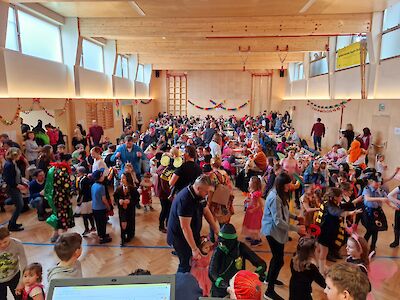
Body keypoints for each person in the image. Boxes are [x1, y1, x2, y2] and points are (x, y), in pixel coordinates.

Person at [261, 172, 306, 300]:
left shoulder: (280, 194)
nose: (290, 185)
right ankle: (269, 291)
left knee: (276, 258)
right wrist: (296, 228)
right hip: (272, 231)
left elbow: (284, 211)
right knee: (279, 260)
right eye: (288, 183)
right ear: (282, 185)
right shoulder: (275, 197)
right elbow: (278, 221)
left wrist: (296, 217)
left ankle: (269, 279)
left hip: (276, 230)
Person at [167, 175, 219, 273]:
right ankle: (180, 284)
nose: (207, 194)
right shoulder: (185, 200)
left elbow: (206, 210)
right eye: (206, 192)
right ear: (199, 188)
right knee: (185, 263)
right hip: (179, 237)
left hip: (189, 233)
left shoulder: (198, 193)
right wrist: (194, 249)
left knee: (190, 262)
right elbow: (185, 227)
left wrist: (215, 229)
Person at [209, 223, 267, 298]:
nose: (222, 244)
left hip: (238, 289)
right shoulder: (218, 250)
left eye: (225, 242)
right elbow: (212, 272)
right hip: (220, 290)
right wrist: (225, 285)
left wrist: (255, 275)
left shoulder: (241, 247)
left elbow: (261, 264)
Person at [316, 188, 361, 274]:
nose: (341, 197)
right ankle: (321, 271)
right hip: (324, 232)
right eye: (340, 196)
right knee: (323, 252)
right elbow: (336, 212)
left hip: (326, 231)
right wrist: (351, 213)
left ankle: (321, 265)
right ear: (335, 197)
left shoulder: (331, 203)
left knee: (320, 251)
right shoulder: (329, 206)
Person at [45, 162, 74, 243]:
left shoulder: (52, 171)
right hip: (63, 199)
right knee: (62, 217)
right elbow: (68, 187)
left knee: (57, 215)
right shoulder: (63, 174)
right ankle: (61, 237)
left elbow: (48, 184)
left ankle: (56, 234)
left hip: (54, 197)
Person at [0, 227, 27, 300]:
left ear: (9, 235)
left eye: (5, 242)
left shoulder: (17, 244)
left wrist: (21, 281)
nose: (2, 245)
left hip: (15, 276)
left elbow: (23, 262)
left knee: (19, 298)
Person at [3, 147, 26, 231]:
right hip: (12, 188)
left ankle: (13, 223)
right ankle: (11, 225)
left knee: (20, 204)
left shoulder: (13, 163)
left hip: (15, 187)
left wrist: (22, 181)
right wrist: (18, 185)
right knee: (20, 205)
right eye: (19, 154)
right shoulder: (9, 165)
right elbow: (8, 179)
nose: (20, 155)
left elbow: (15, 175)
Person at [114, 172, 140, 246]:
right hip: (122, 210)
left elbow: (137, 199)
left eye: (123, 178)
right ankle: (122, 237)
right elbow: (115, 198)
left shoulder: (133, 189)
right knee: (123, 222)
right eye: (121, 178)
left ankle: (130, 235)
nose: (121, 180)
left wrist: (130, 201)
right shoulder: (119, 189)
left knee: (130, 222)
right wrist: (119, 201)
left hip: (130, 210)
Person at [91, 169, 112, 244]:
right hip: (101, 208)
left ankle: (101, 235)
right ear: (100, 177)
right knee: (103, 223)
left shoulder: (93, 185)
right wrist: (108, 206)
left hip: (94, 207)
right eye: (102, 175)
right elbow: (104, 199)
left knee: (98, 223)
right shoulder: (101, 187)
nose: (103, 176)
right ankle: (103, 238)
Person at [242, 176, 264, 246]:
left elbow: (260, 204)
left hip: (255, 212)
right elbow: (252, 200)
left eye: (250, 181)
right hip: (251, 211)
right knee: (250, 224)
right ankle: (252, 236)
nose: (248, 182)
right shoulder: (252, 192)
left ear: (253, 184)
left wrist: (253, 210)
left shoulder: (256, 193)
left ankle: (257, 239)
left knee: (255, 225)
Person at [76, 167, 95, 237]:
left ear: (81, 172)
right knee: (90, 215)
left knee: (84, 216)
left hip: (84, 201)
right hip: (90, 199)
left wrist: (78, 201)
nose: (77, 173)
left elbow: (82, 192)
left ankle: (87, 229)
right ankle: (93, 227)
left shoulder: (82, 180)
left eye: (77, 172)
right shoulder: (87, 178)